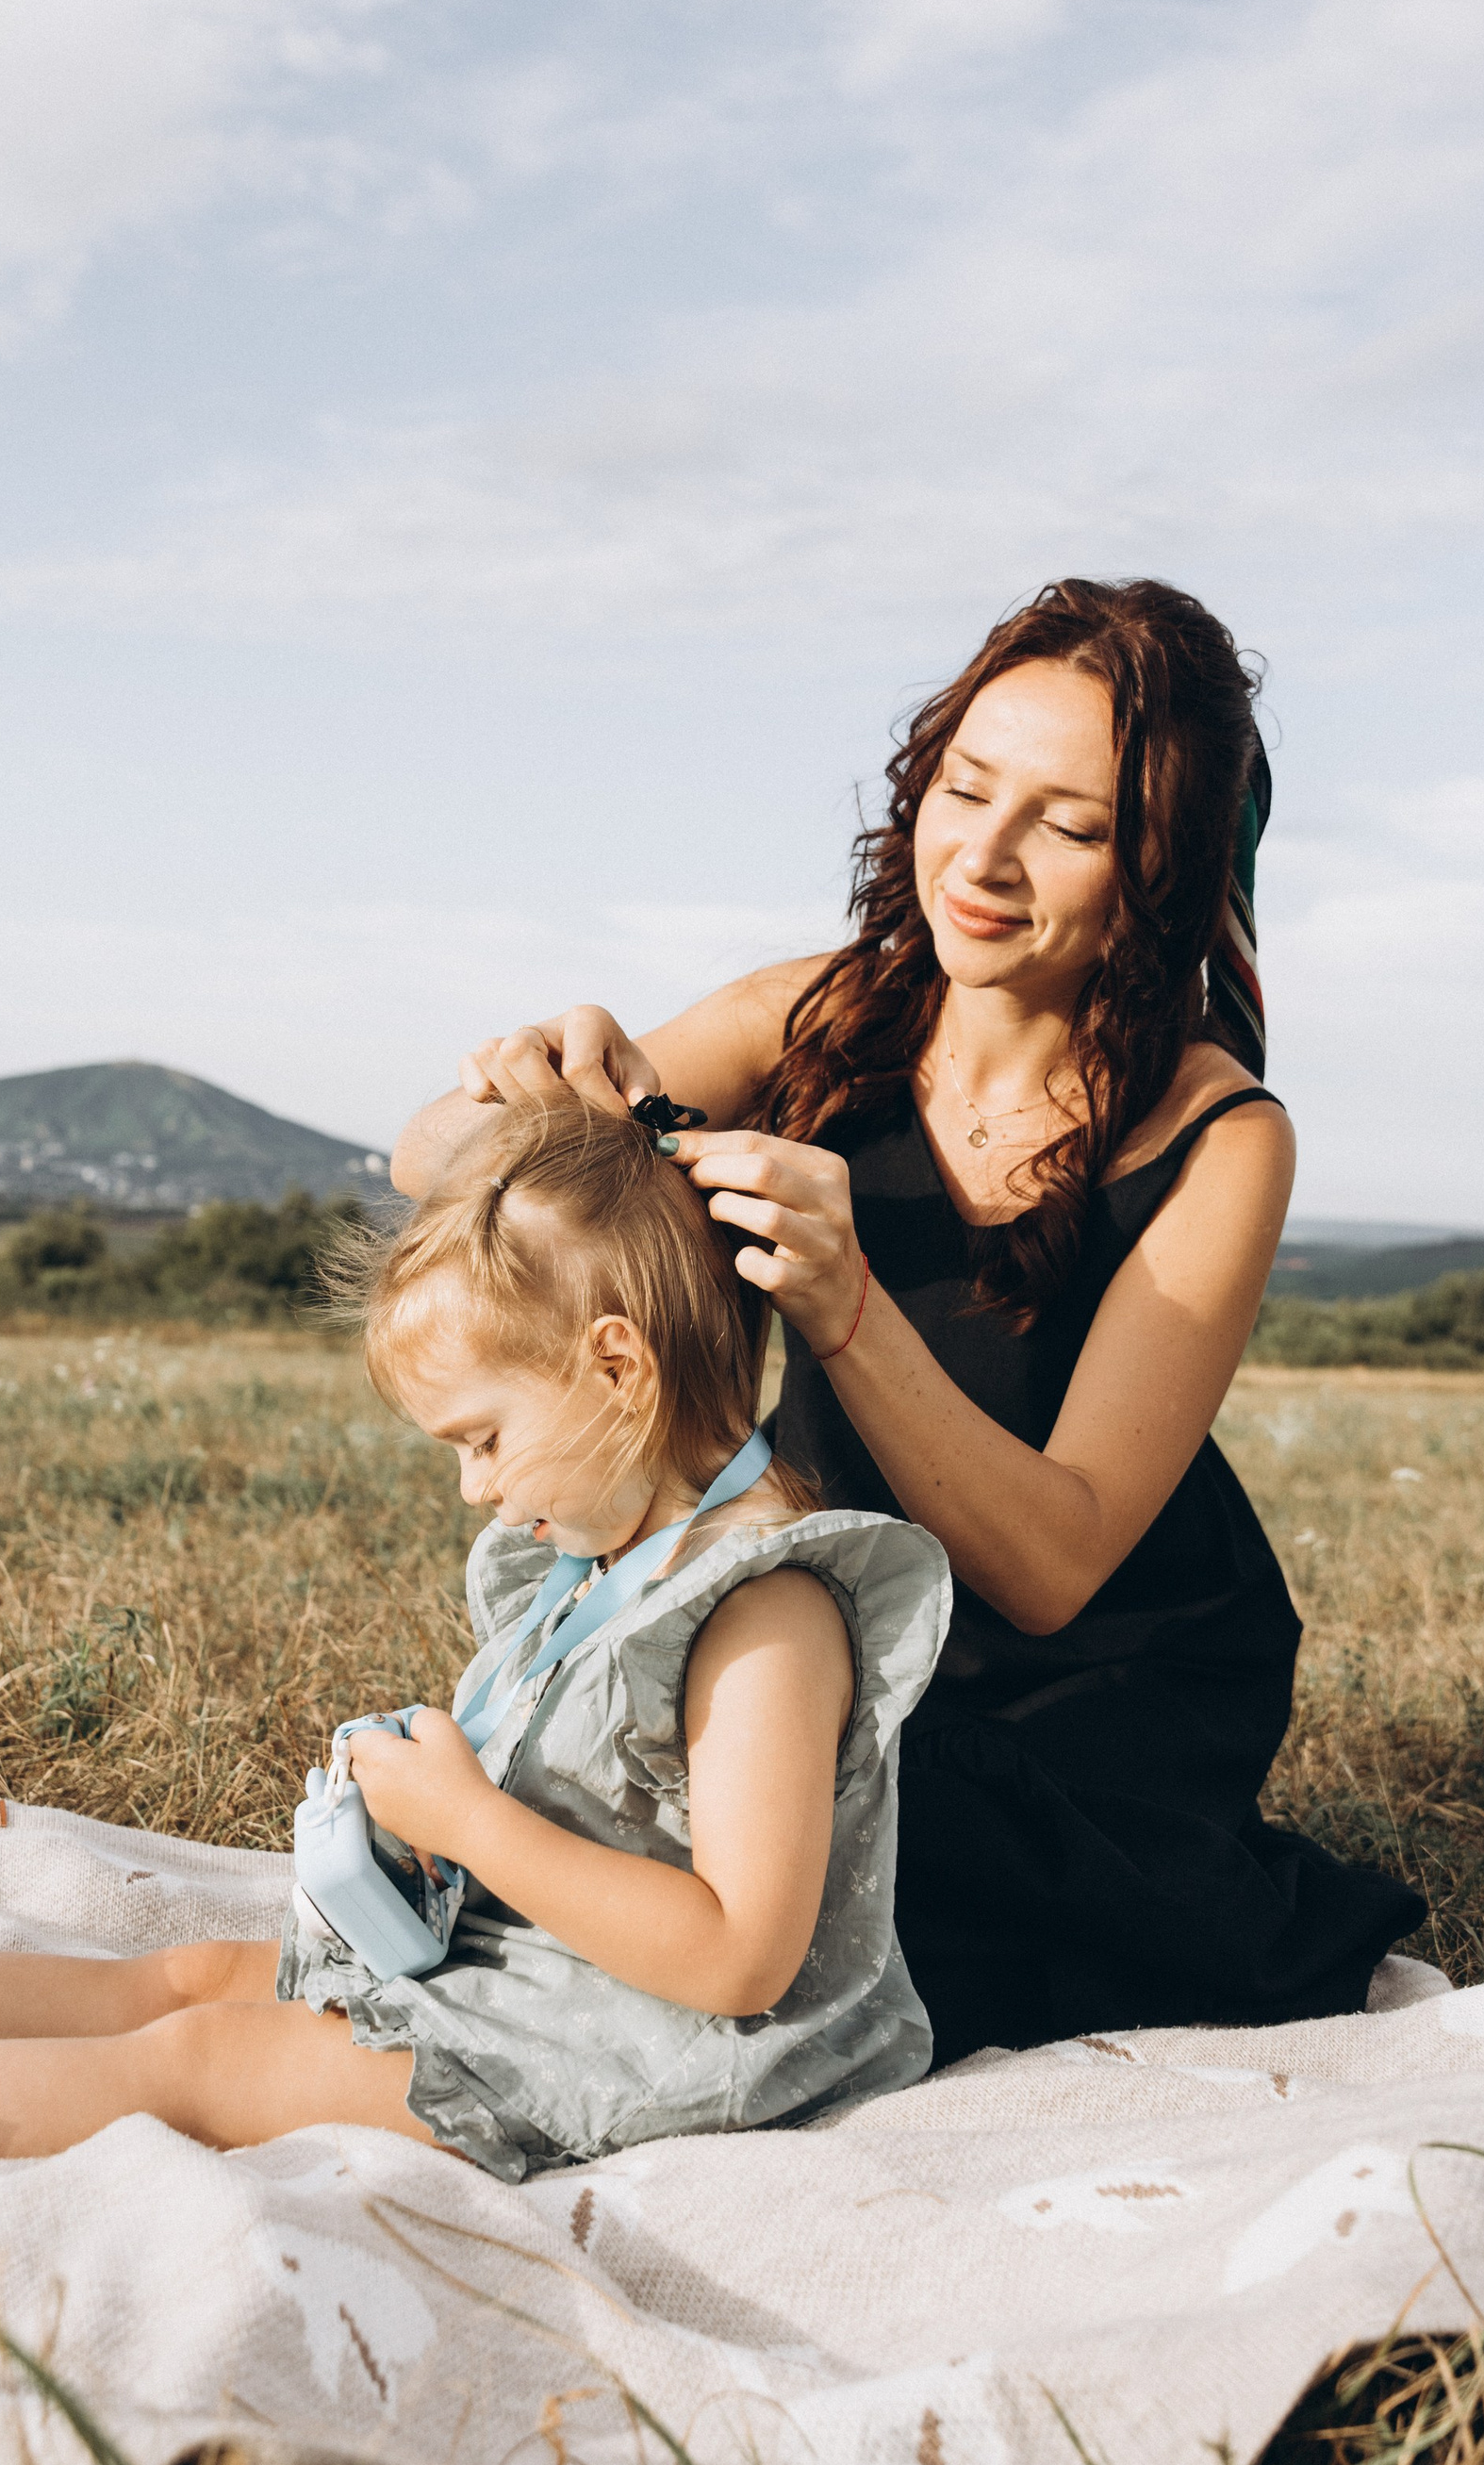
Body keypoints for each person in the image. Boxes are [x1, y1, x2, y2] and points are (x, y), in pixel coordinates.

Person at [394, 575, 1426, 2062]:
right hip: (825, 1618)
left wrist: (851, 1303)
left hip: (1082, 1690)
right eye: (964, 787)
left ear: (1164, 865)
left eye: (1068, 825)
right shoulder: (817, 1014)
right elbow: (428, 1162)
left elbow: (1055, 1563)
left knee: (800, 1922)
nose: (985, 859)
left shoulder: (1221, 1134)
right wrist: (536, 1081)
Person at [0, 1102, 949, 2200]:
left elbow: (737, 1958)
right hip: (549, 1978)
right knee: (195, 1975)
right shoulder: (614, 1551)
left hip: (660, 2050)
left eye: (481, 1437)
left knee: (204, 2056)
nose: (472, 1486)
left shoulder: (766, 1612)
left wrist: (470, 1818)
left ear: (617, 1365)